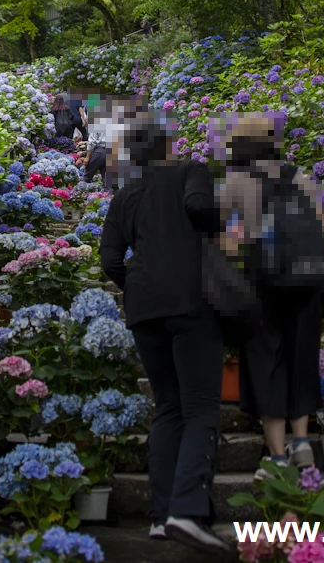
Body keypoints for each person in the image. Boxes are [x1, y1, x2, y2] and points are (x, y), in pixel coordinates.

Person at [101, 123, 231, 555]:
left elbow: (109, 259)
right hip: (192, 299)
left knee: (168, 407)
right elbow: (198, 206)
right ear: (167, 148)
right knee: (200, 408)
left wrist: (138, 285)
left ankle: (160, 516)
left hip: (143, 309)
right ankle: (188, 511)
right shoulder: (189, 171)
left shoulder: (125, 196)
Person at [217, 114, 324, 480]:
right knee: (301, 356)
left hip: (261, 283)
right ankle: (302, 442)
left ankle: (278, 457)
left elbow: (226, 239)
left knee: (266, 360)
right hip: (306, 280)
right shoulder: (298, 176)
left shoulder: (235, 181)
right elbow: (322, 224)